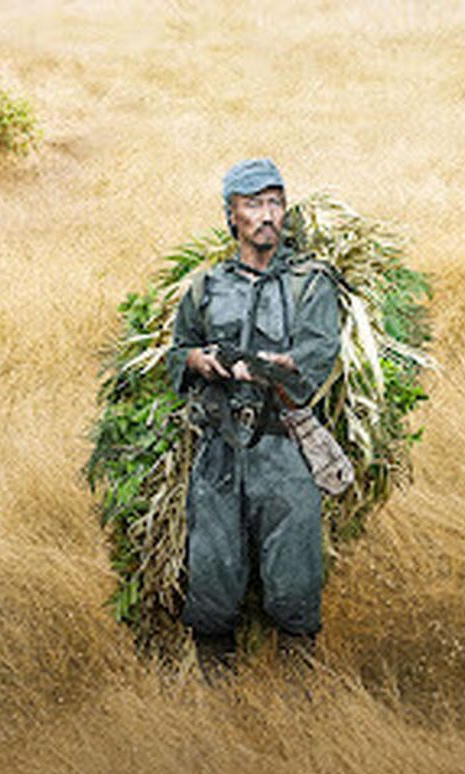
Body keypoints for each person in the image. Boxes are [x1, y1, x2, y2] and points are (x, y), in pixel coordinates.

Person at [165, 158, 342, 676]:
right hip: (219, 451)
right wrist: (201, 361)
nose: (267, 215)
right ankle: (217, 698)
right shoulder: (205, 286)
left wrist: (266, 367)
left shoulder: (311, 284)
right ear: (232, 216)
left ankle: (298, 697)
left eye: (275, 203)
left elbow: (316, 358)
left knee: (294, 580)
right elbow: (179, 350)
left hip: (283, 448)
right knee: (213, 579)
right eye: (253, 205)